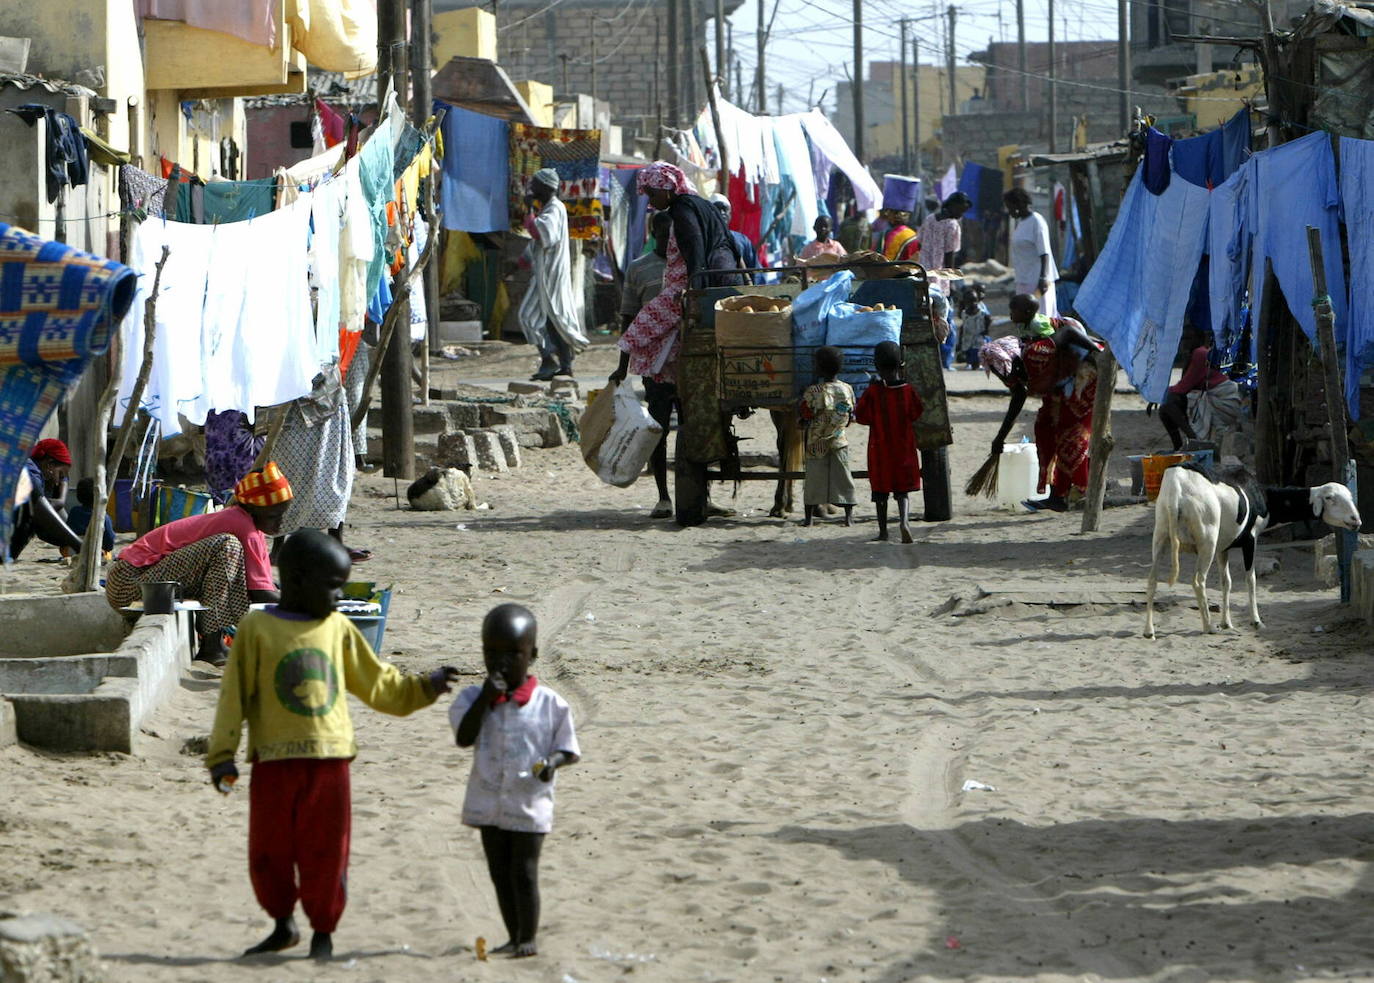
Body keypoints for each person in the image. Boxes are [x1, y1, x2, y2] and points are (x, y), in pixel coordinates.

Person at [205, 529, 459, 962]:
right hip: (273, 763)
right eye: (332, 586)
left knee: (326, 851)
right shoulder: (256, 629)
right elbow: (234, 696)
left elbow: (378, 683)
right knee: (269, 851)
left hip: (330, 764)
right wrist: (221, 755)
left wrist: (424, 687)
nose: (339, 596)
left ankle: (324, 930)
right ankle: (282, 924)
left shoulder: (338, 628)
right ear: (298, 580)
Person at [611, 161, 742, 517]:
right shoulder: (697, 204)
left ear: (667, 187)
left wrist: (694, 298)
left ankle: (634, 353)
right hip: (699, 293)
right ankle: (665, 496)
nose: (651, 200)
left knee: (640, 330)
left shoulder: (684, 210)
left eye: (653, 193)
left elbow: (696, 255)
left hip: (690, 293)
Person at [451, 603, 580, 959]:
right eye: (492, 653)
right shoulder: (470, 699)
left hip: (529, 801)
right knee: (499, 872)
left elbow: (567, 748)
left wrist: (552, 763)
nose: (501, 662)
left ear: (532, 655)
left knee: (523, 871)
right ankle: (512, 935)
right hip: (488, 801)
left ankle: (528, 937)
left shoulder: (551, 704)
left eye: (513, 654)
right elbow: (464, 737)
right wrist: (485, 701)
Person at [104, 462, 293, 664]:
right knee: (227, 546)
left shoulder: (246, 524)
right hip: (128, 583)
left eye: (283, 515)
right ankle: (211, 644)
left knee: (234, 560)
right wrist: (309, 605)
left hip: (140, 583)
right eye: (274, 516)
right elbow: (260, 594)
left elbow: (262, 585)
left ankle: (215, 642)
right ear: (254, 509)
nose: (280, 522)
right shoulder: (241, 525)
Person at [982, 294, 1098, 512]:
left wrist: (1096, 351)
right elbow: (1018, 397)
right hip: (1060, 382)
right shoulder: (1021, 359)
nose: (1002, 377)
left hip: (1082, 380)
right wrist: (1000, 438)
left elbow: (1069, 332)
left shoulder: (1036, 351)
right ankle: (1058, 494)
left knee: (1070, 433)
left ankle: (1076, 491)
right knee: (1045, 428)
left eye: (1001, 372)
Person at [518, 168, 588, 380]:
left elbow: (541, 234)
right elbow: (537, 242)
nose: (532, 188)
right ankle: (565, 365)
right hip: (546, 274)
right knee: (553, 320)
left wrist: (529, 210)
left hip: (550, 277)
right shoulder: (550, 209)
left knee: (528, 316)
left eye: (536, 185)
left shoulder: (555, 209)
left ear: (547, 187)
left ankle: (549, 360)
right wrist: (523, 261)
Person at [854, 341, 923, 543]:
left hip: (880, 449)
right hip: (903, 446)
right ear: (901, 364)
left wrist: (868, 391)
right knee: (902, 491)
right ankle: (904, 522)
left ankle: (883, 531)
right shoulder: (908, 390)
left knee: (880, 491)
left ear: (876, 366)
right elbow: (917, 412)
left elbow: (861, 416)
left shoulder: (874, 392)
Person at [798, 346, 856, 527]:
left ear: (819, 368)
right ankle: (848, 517)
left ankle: (808, 519)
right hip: (839, 441)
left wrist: (803, 422)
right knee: (844, 477)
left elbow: (806, 414)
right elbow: (851, 414)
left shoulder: (812, 392)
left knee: (814, 478)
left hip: (816, 442)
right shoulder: (847, 389)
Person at [1148, 342, 1242, 450]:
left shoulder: (1200, 354)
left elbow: (1183, 387)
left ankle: (1193, 440)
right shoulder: (1193, 355)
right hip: (1214, 398)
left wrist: (1157, 395)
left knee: (1168, 404)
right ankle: (1179, 446)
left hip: (1223, 400)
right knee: (1166, 407)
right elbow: (1183, 386)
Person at [7, 438, 82, 561]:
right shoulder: (28, 472)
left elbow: (64, 479)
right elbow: (41, 510)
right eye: (61, 473)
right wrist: (79, 545)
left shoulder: (42, 472)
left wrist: (61, 500)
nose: (60, 480)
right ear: (49, 464)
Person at [1003, 187, 1059, 317]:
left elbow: (1044, 252)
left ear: (1019, 204)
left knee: (1042, 317)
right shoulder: (1021, 223)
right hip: (1023, 279)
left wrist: (1043, 278)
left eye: (1010, 207)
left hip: (1037, 281)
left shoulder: (1037, 222)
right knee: (1025, 318)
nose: (1009, 211)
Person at [709, 194, 762, 283]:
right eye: (718, 209)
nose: (722, 213)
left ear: (730, 214)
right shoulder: (704, 239)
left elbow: (755, 271)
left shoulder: (742, 240)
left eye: (725, 209)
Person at [918, 191, 970, 271]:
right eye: (959, 210)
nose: (961, 214)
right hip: (938, 271)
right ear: (951, 205)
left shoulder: (930, 218)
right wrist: (949, 275)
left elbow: (919, 242)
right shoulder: (952, 225)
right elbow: (949, 253)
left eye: (963, 211)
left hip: (923, 267)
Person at [65, 477, 115, 557]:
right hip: (97, 552)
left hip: (74, 551)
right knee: (109, 555)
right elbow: (110, 540)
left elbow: (67, 532)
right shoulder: (103, 517)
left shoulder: (74, 512)